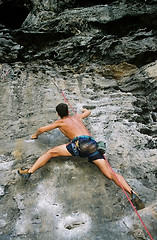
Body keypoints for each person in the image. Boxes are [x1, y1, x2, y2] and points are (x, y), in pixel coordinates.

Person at [18, 103, 145, 210]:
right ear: (68, 111)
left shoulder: (60, 122)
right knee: (110, 173)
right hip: (93, 144)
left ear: (58, 114)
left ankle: (29, 171)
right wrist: (84, 110)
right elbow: (88, 112)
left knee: (50, 153)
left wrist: (35, 135)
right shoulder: (77, 117)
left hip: (80, 144)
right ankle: (132, 192)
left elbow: (41, 129)